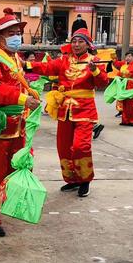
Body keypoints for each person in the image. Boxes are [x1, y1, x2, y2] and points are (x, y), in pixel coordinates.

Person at [0, 8, 41, 237]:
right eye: (11, 33)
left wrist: (31, 91)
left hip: (17, 125)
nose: (16, 37)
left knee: (17, 168)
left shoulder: (15, 59)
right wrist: (23, 98)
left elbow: (18, 83)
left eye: (18, 32)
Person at [27, 28, 108, 197]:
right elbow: (46, 67)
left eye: (80, 42)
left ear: (88, 44)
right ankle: (72, 180)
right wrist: (25, 65)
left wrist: (95, 70)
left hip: (85, 110)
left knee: (81, 146)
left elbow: (102, 82)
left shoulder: (95, 61)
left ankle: (84, 180)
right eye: (74, 41)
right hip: (64, 110)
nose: (76, 45)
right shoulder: (64, 60)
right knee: (63, 148)